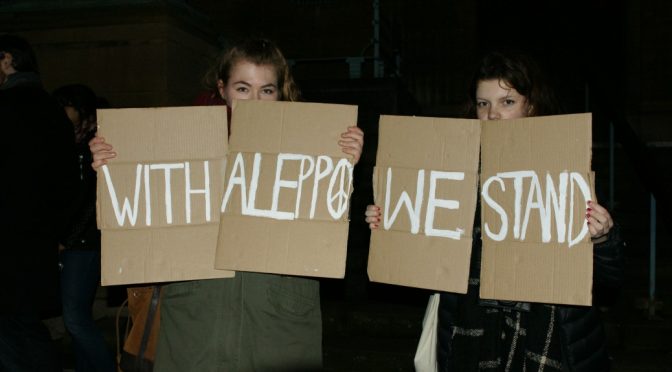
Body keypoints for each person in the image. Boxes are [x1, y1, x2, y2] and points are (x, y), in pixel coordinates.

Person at [90, 37, 364, 371]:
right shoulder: (176, 143)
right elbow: (138, 210)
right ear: (222, 88)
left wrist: (343, 166)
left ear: (280, 92)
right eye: (243, 88)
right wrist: (114, 168)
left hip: (276, 315)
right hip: (198, 316)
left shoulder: (310, 145)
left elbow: (328, 229)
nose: (255, 100)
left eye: (267, 90)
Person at [365, 50, 624, 371]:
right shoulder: (453, 167)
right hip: (472, 333)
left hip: (547, 337)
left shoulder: (564, 164)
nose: (493, 114)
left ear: (531, 104)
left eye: (507, 102)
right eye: (483, 103)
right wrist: (391, 223)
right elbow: (426, 250)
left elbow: (610, 278)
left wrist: (602, 238)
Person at [0, 34, 78, 371]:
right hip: (38, 241)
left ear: (5, 59)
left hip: (8, 240)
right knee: (22, 323)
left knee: (11, 327)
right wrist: (58, 232)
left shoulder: (6, 106)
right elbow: (67, 182)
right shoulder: (51, 110)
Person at [52, 84, 116, 372]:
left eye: (66, 105)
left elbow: (93, 201)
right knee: (78, 317)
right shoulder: (72, 142)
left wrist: (68, 239)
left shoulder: (94, 144)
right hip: (78, 241)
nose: (61, 111)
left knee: (75, 318)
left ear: (81, 110)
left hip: (84, 243)